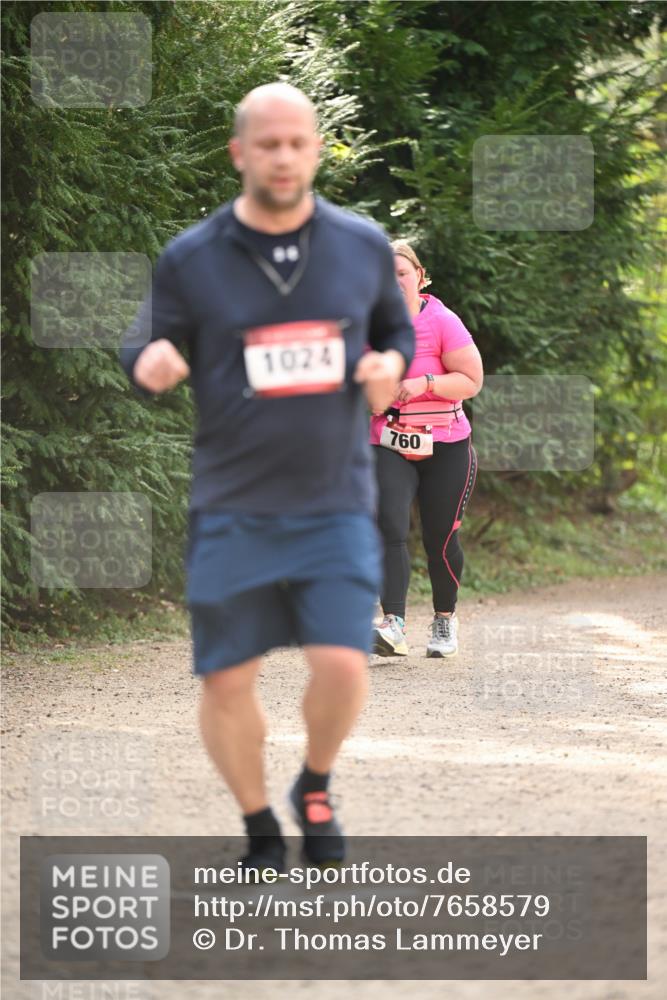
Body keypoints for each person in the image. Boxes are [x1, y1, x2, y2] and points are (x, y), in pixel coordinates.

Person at [119, 83, 414, 872]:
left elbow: (396, 330)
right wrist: (147, 360)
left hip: (335, 498)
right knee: (224, 682)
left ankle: (312, 784)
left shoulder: (358, 245)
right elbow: (141, 339)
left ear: (315, 149)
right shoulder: (192, 257)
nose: (283, 156)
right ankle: (258, 823)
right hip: (233, 503)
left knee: (345, 663)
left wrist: (390, 361)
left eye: (297, 142)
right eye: (267, 143)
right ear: (240, 153)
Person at [370, 241, 483, 658]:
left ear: (419, 276)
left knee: (440, 539)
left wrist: (426, 384)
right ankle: (393, 624)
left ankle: (443, 619)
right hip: (389, 439)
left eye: (401, 273)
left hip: (447, 442)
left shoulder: (441, 320)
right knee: (388, 525)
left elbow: (472, 380)